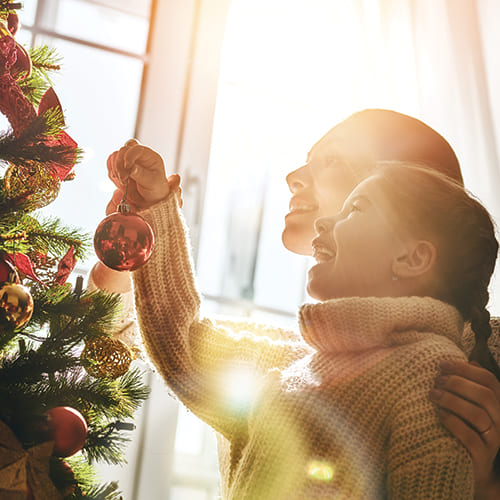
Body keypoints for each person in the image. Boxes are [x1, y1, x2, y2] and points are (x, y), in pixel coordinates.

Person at [93, 110, 500, 497]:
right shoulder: (295, 364)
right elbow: (175, 341)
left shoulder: (470, 361)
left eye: (333, 161)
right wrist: (135, 247)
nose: (292, 177)